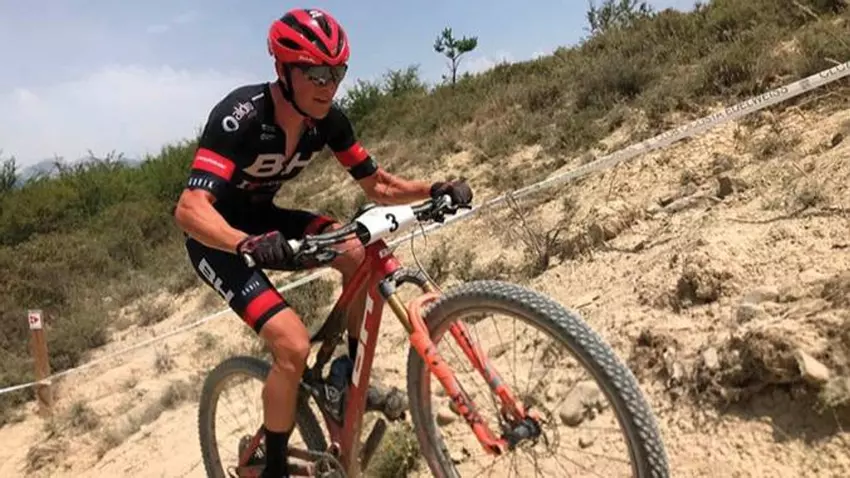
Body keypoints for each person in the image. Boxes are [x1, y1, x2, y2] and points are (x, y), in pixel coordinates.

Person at [173, 7, 473, 478]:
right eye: (315, 73)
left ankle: (343, 380)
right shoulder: (241, 115)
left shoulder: (327, 121)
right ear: (283, 70)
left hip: (267, 222)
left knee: (356, 251)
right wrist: (245, 244)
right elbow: (189, 209)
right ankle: (273, 467)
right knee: (292, 346)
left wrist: (435, 187)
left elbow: (379, 185)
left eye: (337, 72)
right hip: (218, 240)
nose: (328, 85)